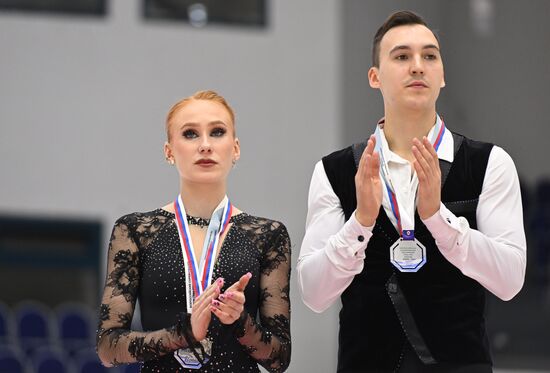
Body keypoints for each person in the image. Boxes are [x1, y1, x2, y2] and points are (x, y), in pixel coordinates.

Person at [297, 10, 526, 373]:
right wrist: (361, 221)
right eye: (402, 56)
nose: (417, 66)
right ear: (375, 77)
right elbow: (313, 294)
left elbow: (510, 280)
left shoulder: (490, 164)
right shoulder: (334, 171)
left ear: (442, 76)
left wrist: (439, 220)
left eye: (429, 56)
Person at [96, 90, 291, 372]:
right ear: (169, 151)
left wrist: (240, 322)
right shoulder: (135, 231)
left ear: (235, 148)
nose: (205, 145)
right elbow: (107, 347)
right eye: (190, 134)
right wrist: (184, 333)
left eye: (217, 132)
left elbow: (279, 358)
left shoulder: (268, 235)